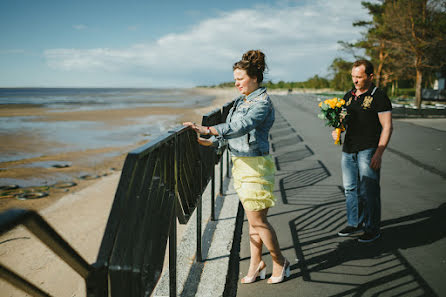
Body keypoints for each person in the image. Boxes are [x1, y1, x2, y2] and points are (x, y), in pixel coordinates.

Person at [183, 50, 290, 284]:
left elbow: (241, 126)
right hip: (240, 164)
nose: (236, 84)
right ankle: (256, 264)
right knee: (252, 222)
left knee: (259, 222)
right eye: (235, 80)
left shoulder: (262, 103)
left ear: (254, 77)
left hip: (256, 167)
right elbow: (230, 133)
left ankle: (280, 262)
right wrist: (204, 139)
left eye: (240, 79)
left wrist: (208, 129)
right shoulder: (243, 101)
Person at [333, 59, 393, 243]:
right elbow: (342, 120)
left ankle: (372, 228)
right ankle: (354, 223)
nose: (355, 81)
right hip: (348, 149)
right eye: (353, 77)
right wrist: (337, 128)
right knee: (351, 189)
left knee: (369, 190)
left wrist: (379, 153)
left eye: (359, 77)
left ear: (370, 76)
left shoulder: (378, 96)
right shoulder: (348, 95)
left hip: (369, 150)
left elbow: (387, 127)